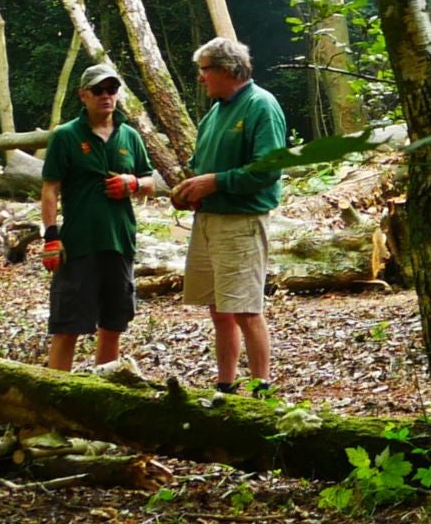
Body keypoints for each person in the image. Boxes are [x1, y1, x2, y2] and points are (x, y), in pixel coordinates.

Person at [171, 37, 285, 393]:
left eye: (204, 71)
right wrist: (187, 191)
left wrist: (216, 182)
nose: (200, 79)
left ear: (225, 69)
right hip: (208, 221)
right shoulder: (216, 112)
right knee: (219, 310)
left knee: (245, 309)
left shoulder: (260, 105)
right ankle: (225, 386)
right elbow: (200, 166)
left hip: (241, 222)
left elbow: (268, 169)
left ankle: (261, 388)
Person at [39, 62, 159, 371]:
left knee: (113, 325)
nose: (106, 95)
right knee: (67, 327)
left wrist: (132, 184)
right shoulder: (66, 136)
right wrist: (51, 238)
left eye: (112, 89)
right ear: (83, 95)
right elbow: (50, 188)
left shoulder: (129, 136)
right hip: (78, 244)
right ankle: (56, 400)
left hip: (119, 243)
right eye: (98, 90)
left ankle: (105, 394)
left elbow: (150, 181)